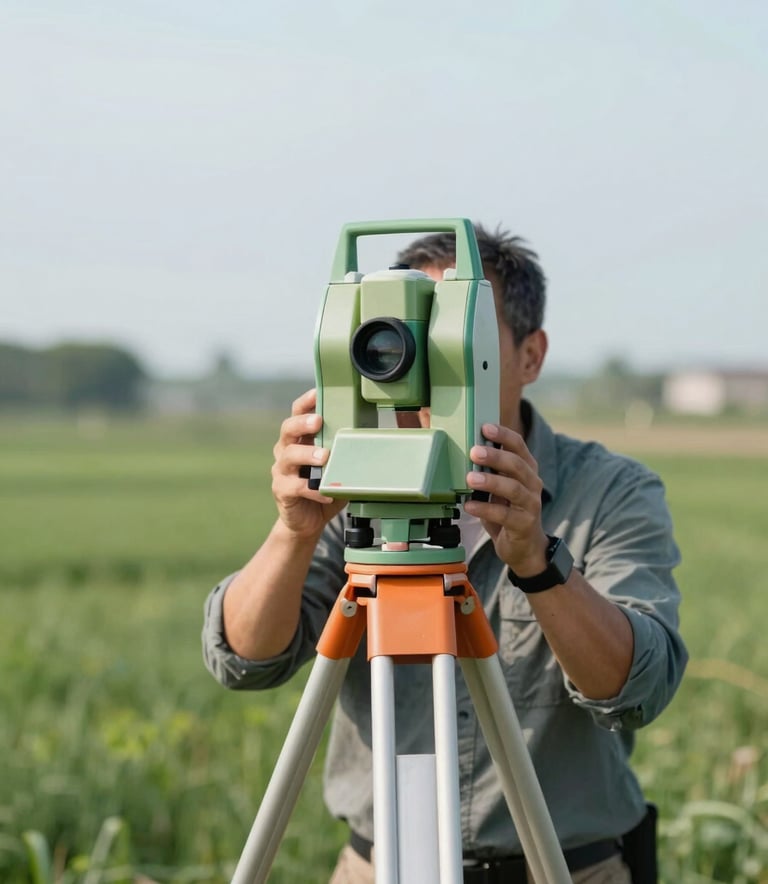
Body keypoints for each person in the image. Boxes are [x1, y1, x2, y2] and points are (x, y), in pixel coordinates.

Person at [202, 225, 688, 884]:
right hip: (383, 867)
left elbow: (637, 688)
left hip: (562, 870)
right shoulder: (354, 494)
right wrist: (295, 531)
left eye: (453, 338)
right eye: (410, 335)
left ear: (530, 355)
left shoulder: (610, 491)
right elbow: (245, 660)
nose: (426, 366)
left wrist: (537, 560)